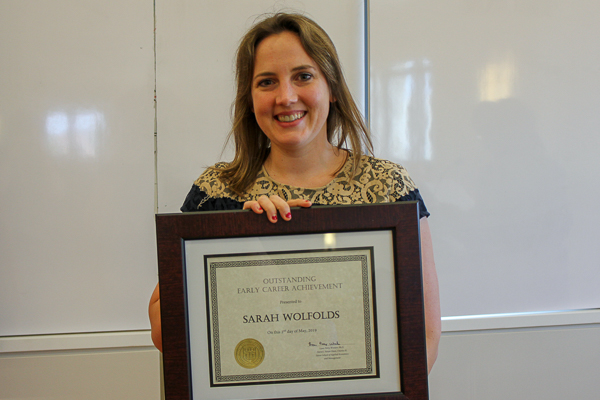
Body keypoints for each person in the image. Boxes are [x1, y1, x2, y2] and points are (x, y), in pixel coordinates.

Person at [149, 12, 441, 373]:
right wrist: (239, 241)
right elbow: (165, 333)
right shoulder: (217, 193)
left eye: (303, 76)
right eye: (267, 82)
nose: (286, 97)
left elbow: (424, 338)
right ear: (250, 98)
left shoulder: (389, 188)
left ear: (331, 87)